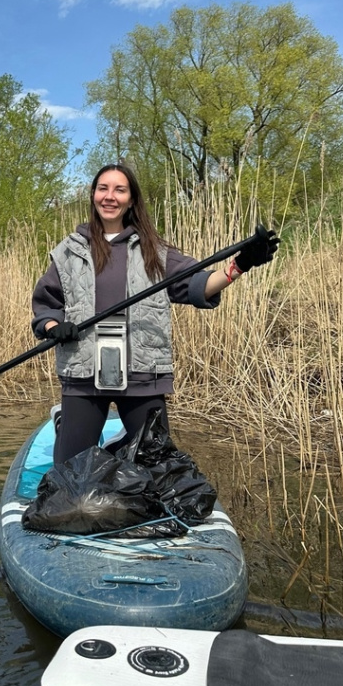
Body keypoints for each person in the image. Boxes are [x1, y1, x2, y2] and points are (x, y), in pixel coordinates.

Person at [31, 163, 280, 467]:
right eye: (103, 188)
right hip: (83, 374)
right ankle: (68, 426)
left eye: (120, 190)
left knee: (157, 463)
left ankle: (120, 448)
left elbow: (199, 284)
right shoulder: (69, 251)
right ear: (93, 195)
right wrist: (55, 326)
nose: (110, 197)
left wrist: (240, 266)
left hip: (142, 373)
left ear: (131, 200)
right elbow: (47, 303)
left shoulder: (155, 251)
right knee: (70, 472)